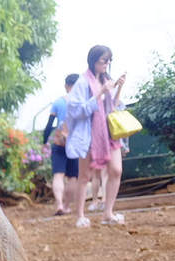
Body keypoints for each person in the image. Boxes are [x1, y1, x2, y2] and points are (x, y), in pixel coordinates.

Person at [66, 45, 126, 228]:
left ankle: (108, 213)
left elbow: (114, 107)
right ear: (93, 61)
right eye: (103, 60)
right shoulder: (83, 83)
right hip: (89, 134)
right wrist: (100, 93)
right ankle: (80, 215)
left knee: (116, 170)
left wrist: (119, 88)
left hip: (109, 133)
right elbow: (76, 110)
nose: (107, 64)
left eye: (109, 61)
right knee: (84, 176)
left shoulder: (107, 79)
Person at [42, 73, 79, 216]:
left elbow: (49, 125)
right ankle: (67, 205)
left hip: (59, 143)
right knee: (73, 177)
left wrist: (44, 141)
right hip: (74, 143)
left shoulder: (58, 103)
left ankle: (59, 205)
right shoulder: (81, 103)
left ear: (66, 86)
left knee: (58, 175)